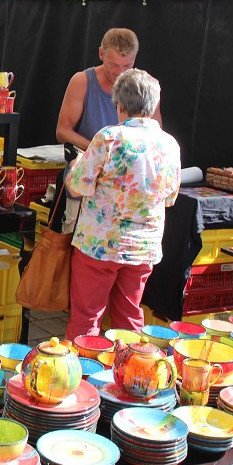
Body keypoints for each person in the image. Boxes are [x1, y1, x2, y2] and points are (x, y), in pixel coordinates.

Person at [63, 69, 180, 339]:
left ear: (120, 104)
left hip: (100, 245)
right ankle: (130, 376)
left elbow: (77, 185)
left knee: (87, 320)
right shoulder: (170, 145)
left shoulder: (109, 138)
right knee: (129, 318)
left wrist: (74, 165)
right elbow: (170, 196)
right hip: (143, 248)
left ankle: (84, 377)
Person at [55, 28, 157, 234]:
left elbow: (155, 134)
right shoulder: (82, 81)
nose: (119, 72)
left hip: (128, 194)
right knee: (76, 244)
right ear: (101, 54)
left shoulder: (144, 87)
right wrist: (99, 150)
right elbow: (62, 131)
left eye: (127, 66)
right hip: (86, 187)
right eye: (113, 65)